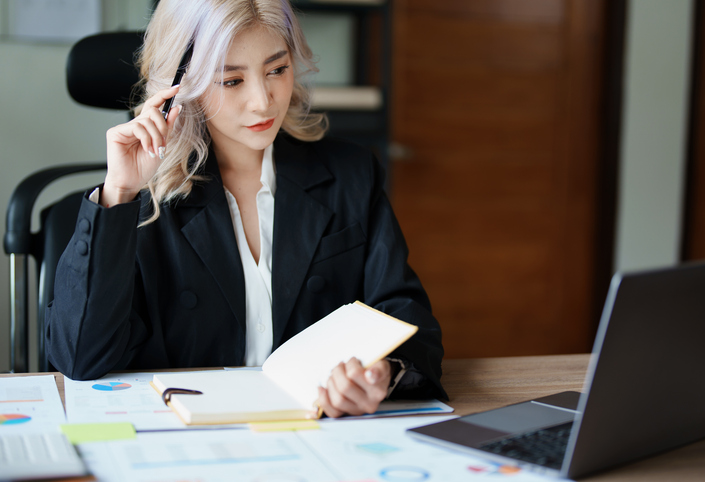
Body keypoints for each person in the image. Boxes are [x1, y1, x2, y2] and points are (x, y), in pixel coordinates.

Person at [46, 0, 445, 417]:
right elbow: (79, 358)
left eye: (277, 69)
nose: (263, 101)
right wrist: (119, 193)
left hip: (322, 433)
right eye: (231, 80)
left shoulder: (351, 175)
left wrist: (384, 371)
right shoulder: (143, 198)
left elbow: (407, 318)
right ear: (180, 89)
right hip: (185, 437)